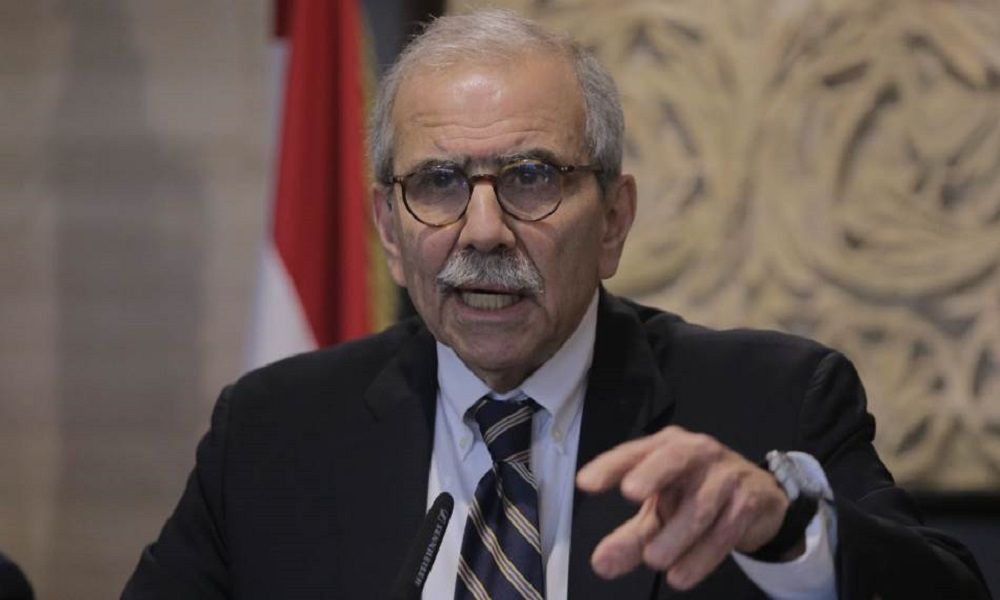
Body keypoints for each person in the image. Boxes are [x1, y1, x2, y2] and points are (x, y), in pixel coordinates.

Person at [123, 10, 989, 600]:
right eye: (439, 182)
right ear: (389, 228)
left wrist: (790, 536)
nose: (484, 230)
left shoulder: (771, 402)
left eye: (532, 177)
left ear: (613, 221)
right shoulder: (274, 433)